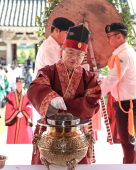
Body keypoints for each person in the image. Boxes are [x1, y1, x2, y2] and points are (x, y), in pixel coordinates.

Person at [28, 23, 101, 165]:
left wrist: (64, 107)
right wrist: (50, 97)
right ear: (62, 50)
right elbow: (35, 88)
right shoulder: (48, 71)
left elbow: (93, 101)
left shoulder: (88, 77)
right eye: (71, 52)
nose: (75, 58)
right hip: (49, 131)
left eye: (80, 54)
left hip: (76, 133)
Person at [99, 23, 136, 164]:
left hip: (128, 104)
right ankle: (129, 165)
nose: (107, 40)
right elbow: (115, 78)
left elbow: (112, 80)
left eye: (109, 37)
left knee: (127, 141)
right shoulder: (123, 52)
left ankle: (131, 167)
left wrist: (94, 95)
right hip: (127, 101)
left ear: (119, 36)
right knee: (127, 141)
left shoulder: (123, 55)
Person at [5, 77, 33, 144]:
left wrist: (23, 113)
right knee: (12, 137)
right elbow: (8, 106)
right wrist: (16, 113)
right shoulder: (10, 95)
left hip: (24, 119)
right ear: (15, 84)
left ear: (24, 84)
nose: (19, 85)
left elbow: (30, 105)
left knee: (25, 135)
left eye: (21, 83)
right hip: (14, 119)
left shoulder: (28, 95)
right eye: (17, 83)